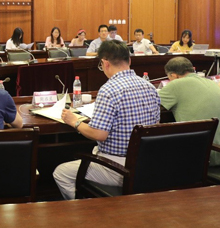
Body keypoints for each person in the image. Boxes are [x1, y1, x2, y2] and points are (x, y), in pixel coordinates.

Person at [53, 40, 160, 200]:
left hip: (117, 167)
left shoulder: (109, 90)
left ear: (105, 63)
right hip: (147, 164)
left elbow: (99, 134)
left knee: (61, 173)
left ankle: (87, 212)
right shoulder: (150, 87)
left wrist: (74, 121)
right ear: (129, 60)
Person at [160, 57, 220, 166]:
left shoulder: (176, 84)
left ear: (174, 75)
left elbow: (151, 103)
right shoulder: (211, 83)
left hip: (207, 157)